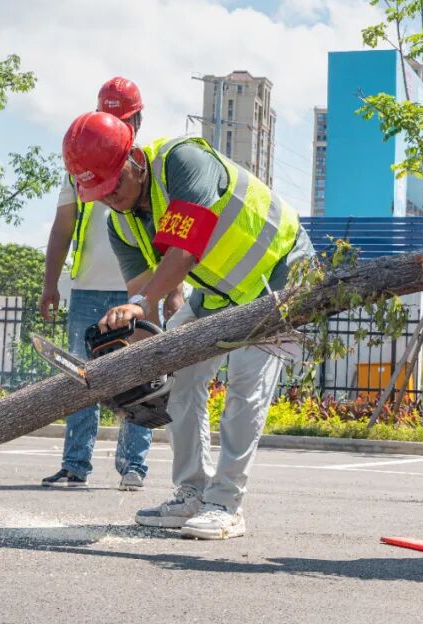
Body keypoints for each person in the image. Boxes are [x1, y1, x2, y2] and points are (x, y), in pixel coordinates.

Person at [61, 110, 313, 540]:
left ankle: (225, 504)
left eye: (115, 184)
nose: (111, 198)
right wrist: (131, 358)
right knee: (178, 378)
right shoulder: (121, 226)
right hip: (218, 293)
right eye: (99, 192)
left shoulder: (183, 162)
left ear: (135, 160)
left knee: (245, 389)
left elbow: (184, 252)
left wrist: (140, 303)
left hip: (277, 274)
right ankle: (192, 493)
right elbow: (145, 304)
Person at [39, 77, 182, 490]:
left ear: (137, 118)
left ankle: (133, 466)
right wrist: (52, 283)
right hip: (88, 285)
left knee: (140, 374)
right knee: (80, 378)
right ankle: (75, 463)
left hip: (139, 286)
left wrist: (172, 291)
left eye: (123, 117)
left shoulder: (151, 166)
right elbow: (62, 227)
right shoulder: (79, 166)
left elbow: (175, 237)